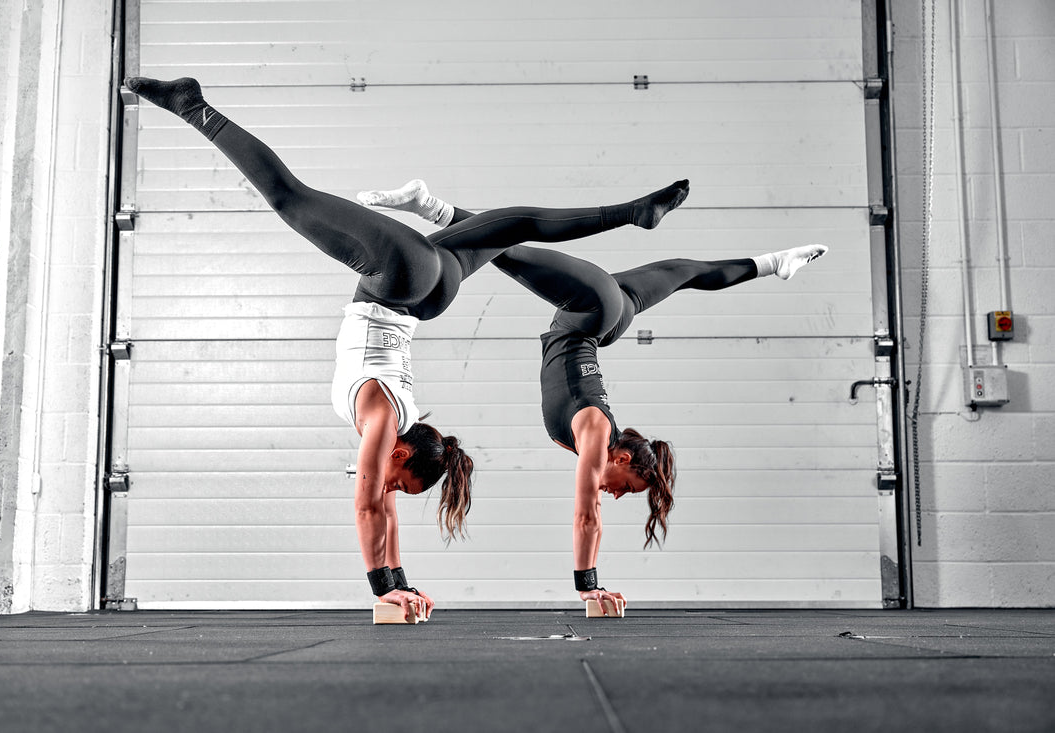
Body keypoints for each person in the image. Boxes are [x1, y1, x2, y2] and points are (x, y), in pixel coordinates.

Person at [123, 77, 691, 619]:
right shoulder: (381, 421)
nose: (391, 487)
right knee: (289, 196)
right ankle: (192, 105)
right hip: (399, 280)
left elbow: (384, 507)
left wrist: (401, 583)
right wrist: (382, 591)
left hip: (428, 291)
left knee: (513, 227)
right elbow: (371, 505)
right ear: (400, 454)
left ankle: (603, 212)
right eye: (400, 477)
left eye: (400, 484)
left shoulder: (401, 425)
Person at [359, 180, 827, 614]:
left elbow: (594, 508)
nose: (616, 494)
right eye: (627, 485)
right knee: (510, 246)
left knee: (683, 272)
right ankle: (434, 205)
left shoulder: (596, 434)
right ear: (622, 457)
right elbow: (588, 515)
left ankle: (772, 264)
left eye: (624, 494)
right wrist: (589, 584)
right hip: (590, 308)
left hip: (610, 315)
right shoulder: (594, 433)